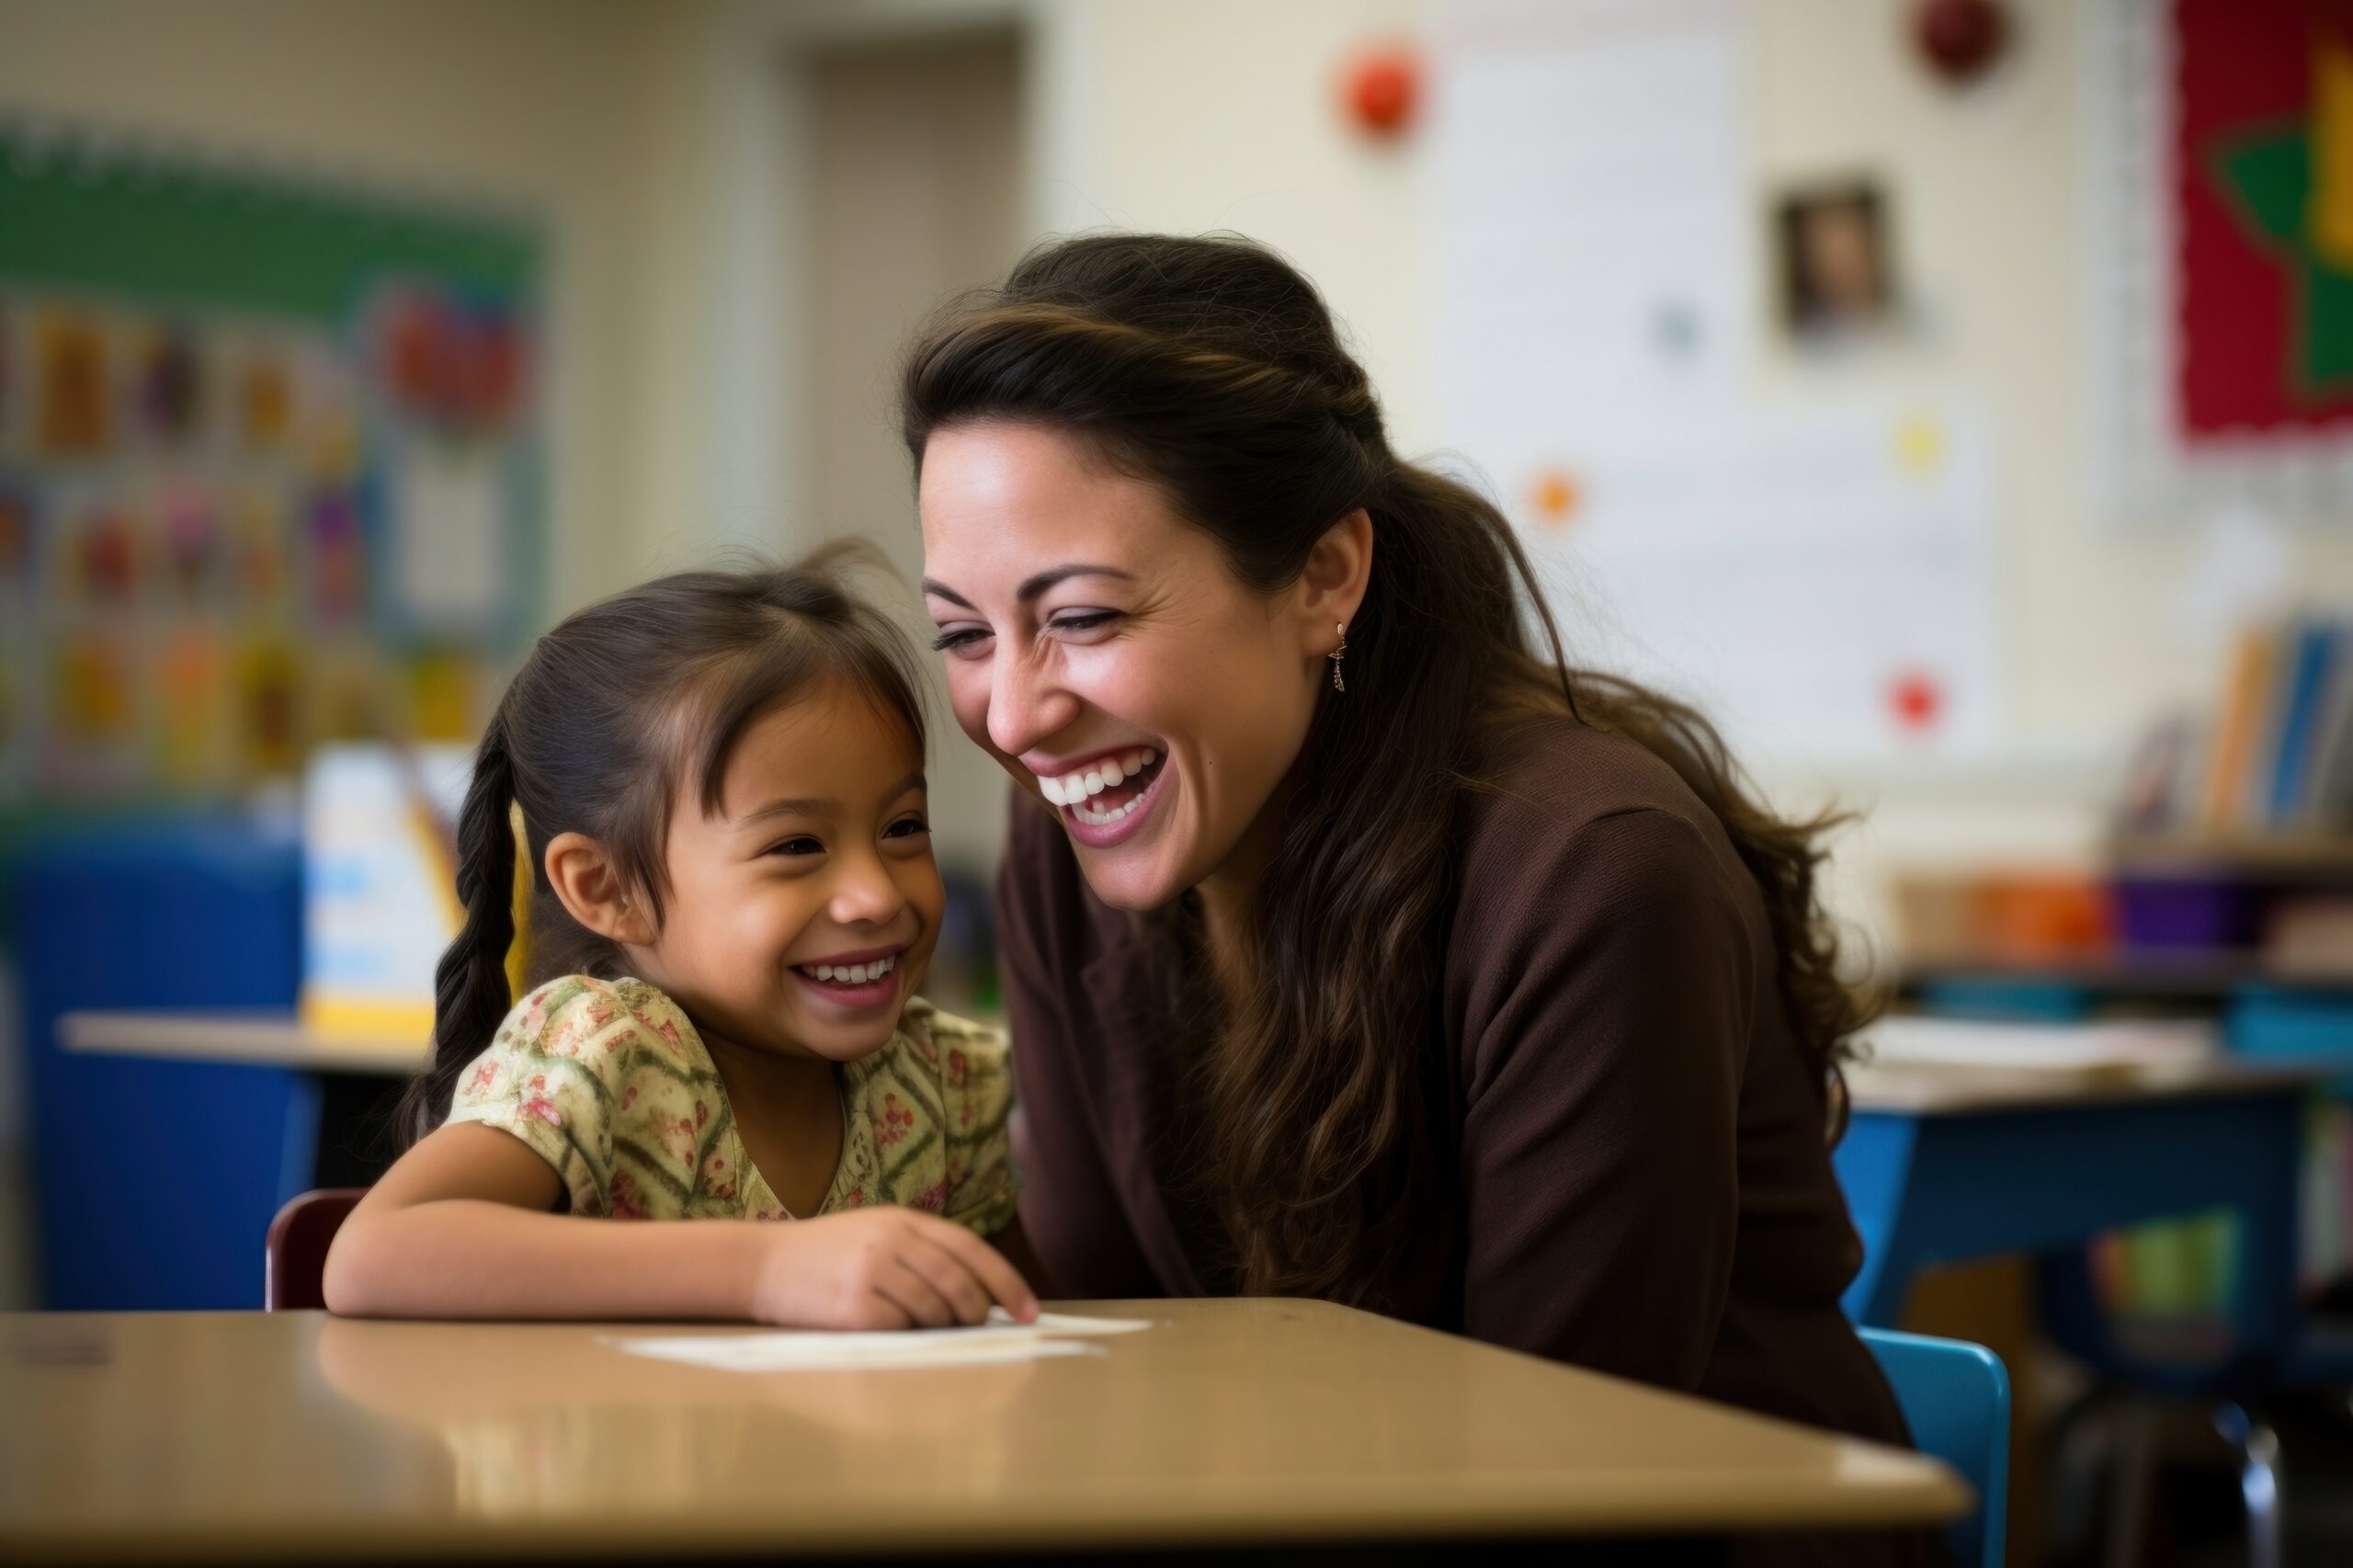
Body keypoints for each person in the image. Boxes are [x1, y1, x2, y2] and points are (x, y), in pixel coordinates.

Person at [905, 234, 1929, 1559]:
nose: (1016, 711)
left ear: (1326, 576)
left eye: (1086, 617)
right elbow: (1105, 1357)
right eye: (963, 634)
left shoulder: (1593, 875)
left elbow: (1554, 1480)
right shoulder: (1076, 831)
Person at [324, 558, 1038, 1328]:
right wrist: (765, 1271)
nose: (876, 895)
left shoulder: (941, 1083)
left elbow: (1028, 1328)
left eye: (902, 829)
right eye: (797, 846)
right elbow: (375, 1255)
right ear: (608, 890)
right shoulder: (605, 1057)